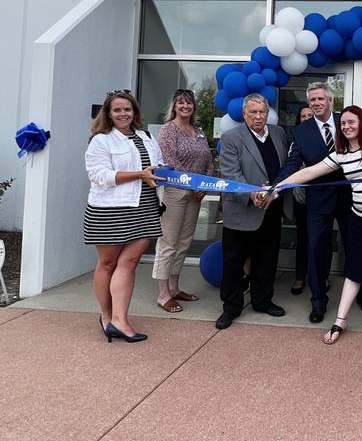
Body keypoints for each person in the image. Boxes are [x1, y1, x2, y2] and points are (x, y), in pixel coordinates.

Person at [273, 105, 362, 344]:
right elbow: (310, 172)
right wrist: (279, 185)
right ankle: (340, 320)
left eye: (351, 122)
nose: (346, 127)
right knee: (353, 269)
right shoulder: (341, 153)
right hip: (358, 216)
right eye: (343, 123)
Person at [276, 82, 362, 323]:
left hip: (352, 197)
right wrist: (275, 185)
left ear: (330, 101)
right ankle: (318, 301)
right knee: (316, 247)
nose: (316, 103)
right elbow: (291, 164)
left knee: (357, 246)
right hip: (317, 200)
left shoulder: (346, 121)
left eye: (320, 99)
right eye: (312, 100)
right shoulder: (301, 132)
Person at [84, 90, 164, 343]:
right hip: (110, 210)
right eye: (117, 109)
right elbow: (100, 176)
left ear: (134, 112)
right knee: (108, 264)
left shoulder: (146, 136)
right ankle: (106, 317)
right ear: (108, 113)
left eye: (127, 109)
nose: (123, 114)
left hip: (145, 207)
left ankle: (120, 319)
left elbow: (158, 165)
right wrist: (140, 174)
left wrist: (163, 174)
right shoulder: (100, 140)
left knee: (129, 263)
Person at [215, 93, 289, 330]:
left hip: (272, 210)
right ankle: (231, 307)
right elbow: (230, 174)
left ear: (268, 113)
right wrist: (251, 195)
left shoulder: (278, 134)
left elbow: (285, 167)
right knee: (233, 262)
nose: (258, 117)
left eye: (262, 112)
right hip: (243, 211)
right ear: (244, 114)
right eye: (253, 112)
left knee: (267, 259)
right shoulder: (231, 138)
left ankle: (262, 301)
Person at [152, 89, 213, 313]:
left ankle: (175, 288)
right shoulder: (169, 130)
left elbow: (208, 159)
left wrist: (203, 185)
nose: (185, 106)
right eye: (181, 103)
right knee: (168, 243)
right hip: (175, 192)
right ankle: (163, 293)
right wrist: (192, 184)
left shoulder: (199, 131)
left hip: (195, 194)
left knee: (184, 242)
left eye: (189, 103)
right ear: (174, 106)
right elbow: (170, 159)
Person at [289, 105, 314, 295]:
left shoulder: (325, 135)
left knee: (320, 240)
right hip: (300, 196)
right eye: (303, 116)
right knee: (302, 238)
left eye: (310, 115)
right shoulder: (295, 137)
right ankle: (300, 276)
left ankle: (320, 276)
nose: (306, 118)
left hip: (322, 196)